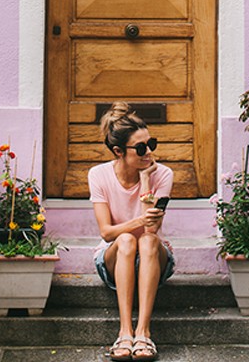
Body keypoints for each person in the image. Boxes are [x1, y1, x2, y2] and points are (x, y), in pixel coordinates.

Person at [88, 101, 175, 361]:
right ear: (118, 151)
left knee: (148, 240)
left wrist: (146, 178)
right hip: (114, 256)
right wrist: (137, 222)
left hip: (153, 257)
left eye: (151, 144)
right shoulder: (98, 175)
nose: (148, 152)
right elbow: (106, 232)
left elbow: (152, 227)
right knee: (126, 239)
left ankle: (143, 333)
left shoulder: (162, 174)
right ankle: (124, 332)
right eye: (140, 147)